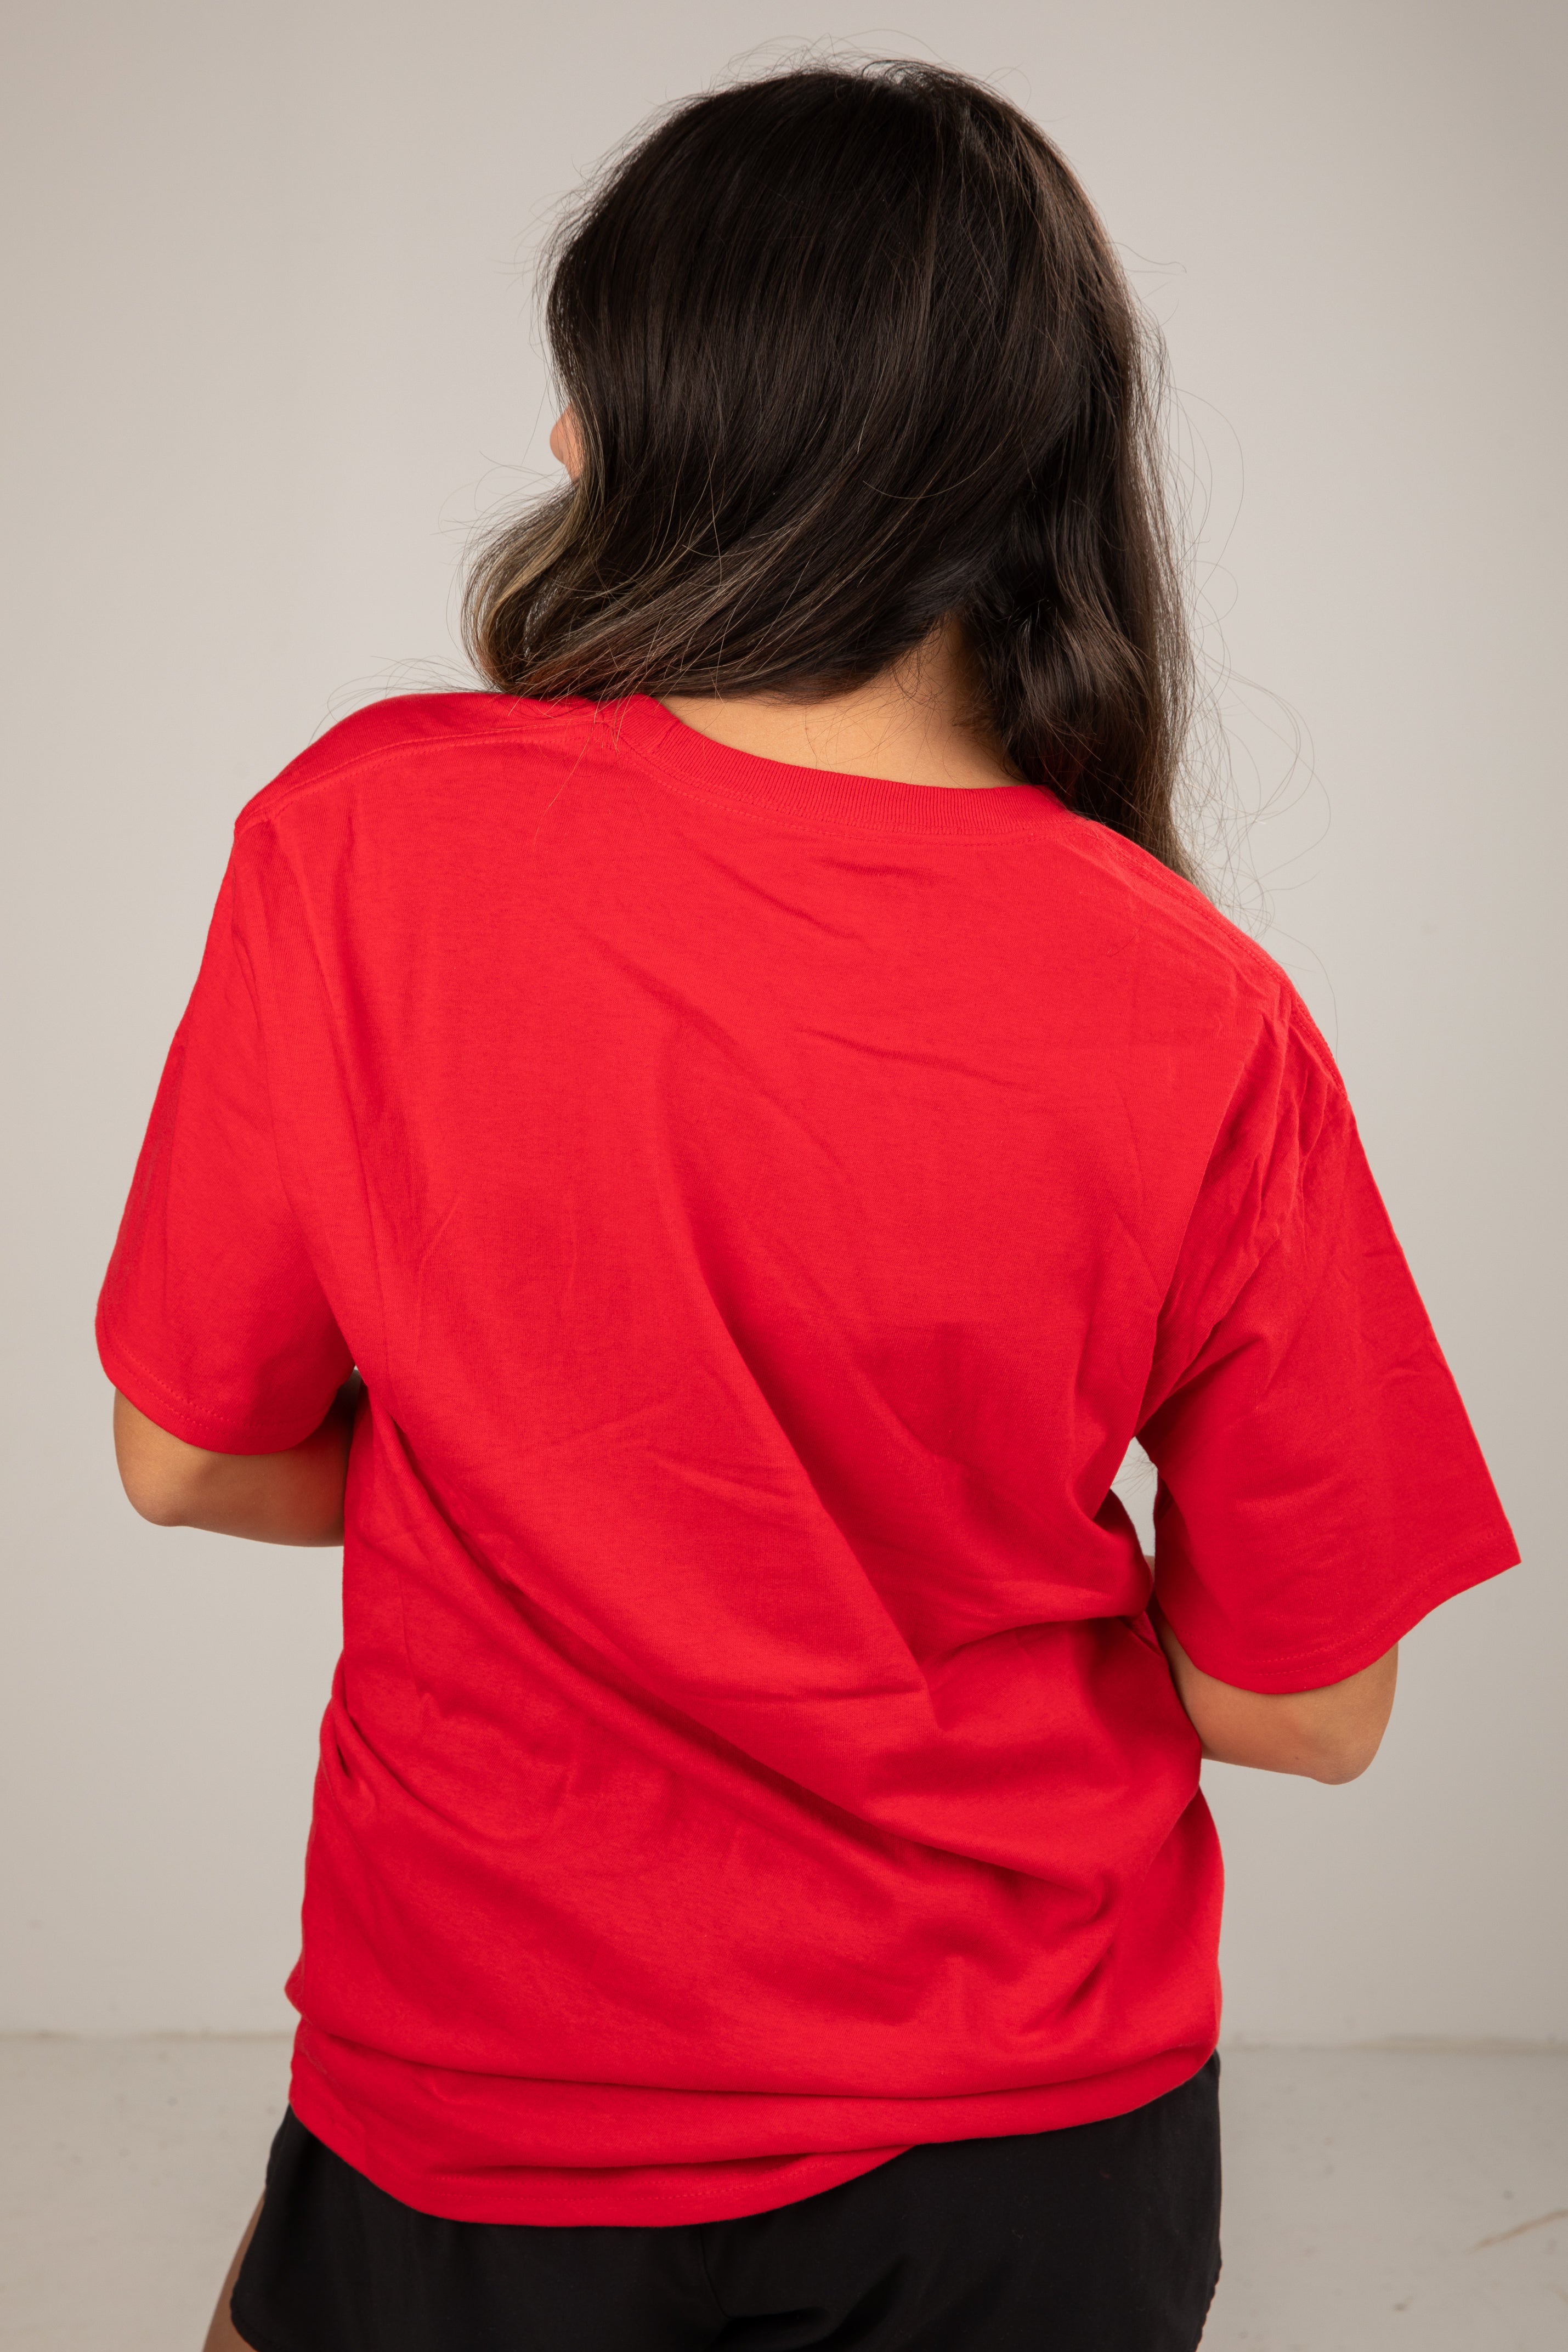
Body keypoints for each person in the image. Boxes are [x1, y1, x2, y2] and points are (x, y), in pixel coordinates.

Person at [99, 60, 1516, 2352]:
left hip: (487, 2103)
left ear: (698, 430)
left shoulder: (358, 848)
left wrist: (578, 1509)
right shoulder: (1199, 1008)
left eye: (600, 392)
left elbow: (185, 1452)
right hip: (1036, 2151)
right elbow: (1306, 1703)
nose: (563, 449)